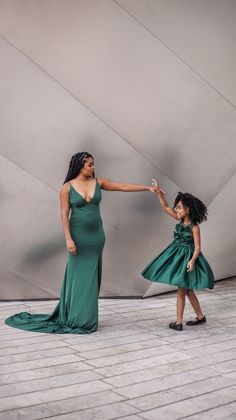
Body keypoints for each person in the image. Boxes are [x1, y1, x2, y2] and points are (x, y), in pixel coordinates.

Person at [5, 152, 156, 334]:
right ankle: (75, 317)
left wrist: (148, 188)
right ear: (80, 165)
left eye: (93, 164)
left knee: (91, 278)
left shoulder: (99, 182)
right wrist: (68, 239)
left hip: (96, 237)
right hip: (77, 237)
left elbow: (123, 186)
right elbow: (63, 215)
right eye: (90, 164)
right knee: (77, 278)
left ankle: (86, 319)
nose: (93, 167)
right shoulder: (67, 188)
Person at [142, 179, 214, 331]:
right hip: (176, 254)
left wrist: (192, 261)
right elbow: (166, 207)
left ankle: (178, 322)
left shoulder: (194, 227)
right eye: (178, 207)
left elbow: (198, 247)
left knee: (182, 290)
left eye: (180, 207)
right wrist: (158, 193)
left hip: (186, 258)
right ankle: (200, 317)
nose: (177, 209)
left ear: (188, 209)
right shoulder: (179, 219)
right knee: (187, 290)